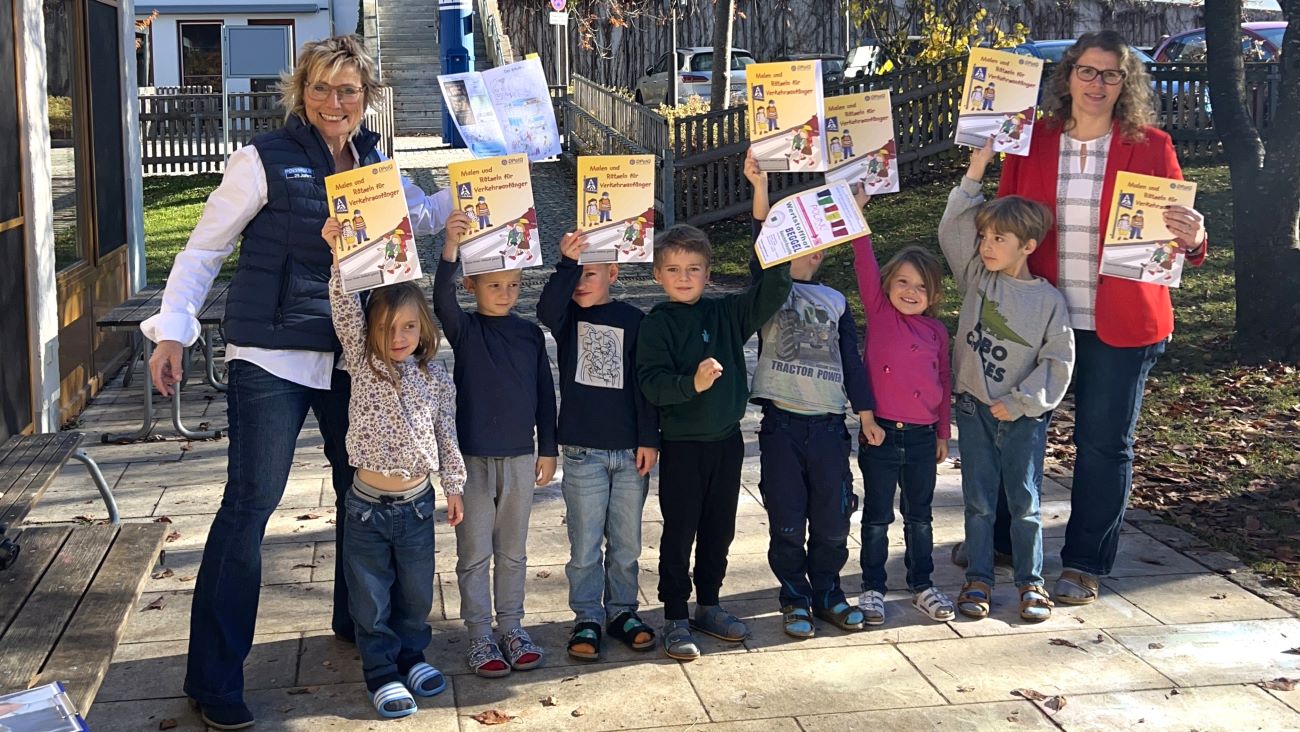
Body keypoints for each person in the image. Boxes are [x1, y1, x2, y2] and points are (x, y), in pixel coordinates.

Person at [140, 35, 453, 730]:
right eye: (321, 88)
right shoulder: (261, 160)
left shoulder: (375, 162)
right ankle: (214, 679)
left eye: (348, 90)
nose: (334, 102)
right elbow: (203, 248)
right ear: (299, 91)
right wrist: (172, 328)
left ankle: (357, 623)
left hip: (353, 359)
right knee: (250, 508)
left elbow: (420, 217)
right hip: (273, 356)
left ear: (366, 97)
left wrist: (483, 189)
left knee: (362, 496)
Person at [979, 30, 1207, 605]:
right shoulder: (1030, 142)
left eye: (1110, 74)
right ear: (1068, 75)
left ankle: (1083, 562)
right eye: (1087, 71)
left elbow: (1179, 237)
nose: (1097, 83)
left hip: (1121, 322)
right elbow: (1002, 223)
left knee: (1104, 444)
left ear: (1125, 82)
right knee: (1018, 431)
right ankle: (1006, 541)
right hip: (1038, 317)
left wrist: (1196, 237)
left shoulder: (1152, 146)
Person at [320, 231, 465, 718]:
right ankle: (381, 671)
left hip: (417, 506)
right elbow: (344, 310)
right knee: (370, 597)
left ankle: (413, 655)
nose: (398, 338)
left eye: (408, 327)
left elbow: (447, 435)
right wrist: (339, 257)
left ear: (422, 329)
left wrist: (454, 487)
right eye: (387, 329)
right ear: (372, 335)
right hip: (365, 509)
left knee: (416, 591)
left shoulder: (435, 377)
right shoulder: (363, 364)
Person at [636, 223, 792, 660]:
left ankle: (709, 604)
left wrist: (767, 226)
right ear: (657, 276)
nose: (684, 277)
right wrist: (694, 384)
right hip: (684, 447)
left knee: (719, 529)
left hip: (727, 443)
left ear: (708, 273)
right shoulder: (657, 325)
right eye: (673, 269)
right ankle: (674, 615)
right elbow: (652, 384)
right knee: (680, 531)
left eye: (694, 268)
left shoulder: (726, 314)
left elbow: (773, 289)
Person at [939, 140, 1076, 622]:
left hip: (1022, 418)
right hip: (974, 407)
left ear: (1028, 246)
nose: (987, 246)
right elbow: (952, 229)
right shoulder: (977, 277)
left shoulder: (1049, 302)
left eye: (1000, 239)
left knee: (1025, 503)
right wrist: (977, 167)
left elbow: (1058, 361)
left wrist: (1021, 402)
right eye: (986, 237)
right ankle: (978, 579)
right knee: (978, 502)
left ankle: (1030, 583)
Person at [743, 152, 873, 638]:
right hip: (781, 428)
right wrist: (761, 187)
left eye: (822, 249)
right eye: (807, 247)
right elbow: (762, 248)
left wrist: (867, 413)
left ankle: (828, 593)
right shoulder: (771, 292)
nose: (816, 254)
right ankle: (793, 597)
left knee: (834, 518)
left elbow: (851, 361)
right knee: (788, 521)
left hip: (828, 430)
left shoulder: (836, 301)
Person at [434, 211, 558, 678]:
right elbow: (439, 297)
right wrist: (451, 246)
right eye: (494, 286)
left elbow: (546, 395)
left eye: (513, 285)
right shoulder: (465, 331)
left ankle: (511, 627)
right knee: (474, 552)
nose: (505, 294)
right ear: (472, 287)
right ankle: (480, 636)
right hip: (472, 460)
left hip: (521, 458)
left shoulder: (529, 334)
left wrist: (548, 447)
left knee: (513, 550)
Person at [536, 231, 661, 661]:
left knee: (626, 544)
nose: (580, 285)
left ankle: (622, 611)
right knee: (585, 544)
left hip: (629, 453)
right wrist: (565, 265)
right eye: (576, 277)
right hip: (582, 452)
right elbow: (544, 307)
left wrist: (649, 439)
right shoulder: (567, 316)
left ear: (613, 272)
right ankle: (587, 615)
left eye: (589, 275)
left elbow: (646, 387)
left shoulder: (634, 320)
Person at [851, 214, 954, 626]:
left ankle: (921, 584)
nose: (911, 292)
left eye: (921, 286)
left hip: (923, 438)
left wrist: (943, 431)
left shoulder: (936, 332)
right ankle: (872, 587)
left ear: (934, 295)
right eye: (903, 282)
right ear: (887, 286)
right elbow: (863, 259)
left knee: (920, 516)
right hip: (880, 434)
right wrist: (857, 212)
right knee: (877, 516)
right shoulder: (879, 314)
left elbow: (944, 382)